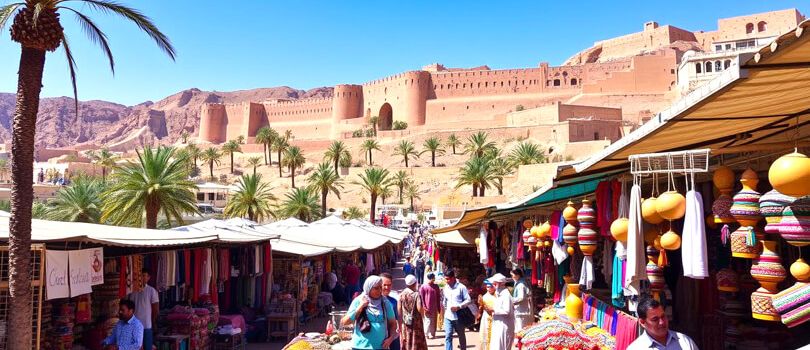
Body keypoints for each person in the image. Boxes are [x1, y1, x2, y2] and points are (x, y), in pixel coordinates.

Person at [341, 276, 398, 350]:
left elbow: (393, 323)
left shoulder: (385, 302)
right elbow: (345, 322)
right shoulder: (358, 301)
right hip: (360, 347)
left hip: (380, 347)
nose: (380, 290)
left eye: (380, 287)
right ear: (369, 288)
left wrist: (390, 339)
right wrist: (360, 307)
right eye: (376, 288)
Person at [627, 297, 698, 350]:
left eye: (663, 316)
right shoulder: (636, 348)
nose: (662, 322)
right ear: (642, 322)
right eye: (655, 319)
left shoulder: (685, 341)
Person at [126, 268, 158, 350]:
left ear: (148, 277)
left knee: (147, 347)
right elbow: (129, 308)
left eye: (144, 276)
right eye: (141, 275)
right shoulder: (132, 291)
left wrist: (154, 321)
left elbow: (155, 308)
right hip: (134, 326)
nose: (142, 278)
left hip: (147, 325)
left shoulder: (151, 291)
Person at [441, 270, 471, 350]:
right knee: (448, 335)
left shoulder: (461, 287)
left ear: (453, 278)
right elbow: (444, 300)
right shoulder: (445, 288)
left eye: (448, 279)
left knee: (461, 336)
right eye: (445, 279)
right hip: (448, 316)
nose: (446, 281)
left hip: (459, 317)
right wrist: (445, 307)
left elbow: (468, 300)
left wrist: (458, 307)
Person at [398, 275, 427, 350]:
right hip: (416, 322)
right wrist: (423, 315)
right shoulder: (416, 294)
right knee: (417, 339)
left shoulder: (401, 294)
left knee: (407, 339)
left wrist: (400, 324)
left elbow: (399, 311)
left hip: (406, 322)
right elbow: (419, 308)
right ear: (415, 283)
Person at [489, 273, 514, 350]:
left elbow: (507, 310)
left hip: (504, 325)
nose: (493, 285)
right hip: (498, 324)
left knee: (502, 346)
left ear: (499, 284)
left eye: (494, 283)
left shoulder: (506, 295)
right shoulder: (499, 294)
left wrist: (494, 310)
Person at [380, 272, 401, 350]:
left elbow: (397, 319)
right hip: (378, 338)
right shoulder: (372, 302)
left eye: (389, 285)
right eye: (384, 285)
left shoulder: (394, 302)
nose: (387, 287)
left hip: (392, 337)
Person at [419, 272, 441, 339]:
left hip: (434, 307)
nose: (433, 279)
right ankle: (426, 334)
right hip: (427, 307)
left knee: (434, 321)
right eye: (433, 278)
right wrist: (424, 307)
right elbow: (421, 298)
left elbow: (438, 297)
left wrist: (438, 307)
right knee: (428, 320)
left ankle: (432, 333)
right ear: (429, 278)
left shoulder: (436, 286)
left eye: (434, 278)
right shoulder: (423, 287)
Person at [510, 269, 533, 333]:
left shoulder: (521, 285)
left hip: (521, 310)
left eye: (513, 275)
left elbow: (521, 297)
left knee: (521, 329)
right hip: (522, 309)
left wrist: (511, 300)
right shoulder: (520, 283)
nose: (512, 277)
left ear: (518, 275)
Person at [478, 280, 497, 350]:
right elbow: (481, 308)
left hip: (496, 318)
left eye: (490, 287)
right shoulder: (484, 297)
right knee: (485, 336)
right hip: (486, 319)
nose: (488, 289)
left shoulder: (498, 296)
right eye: (487, 287)